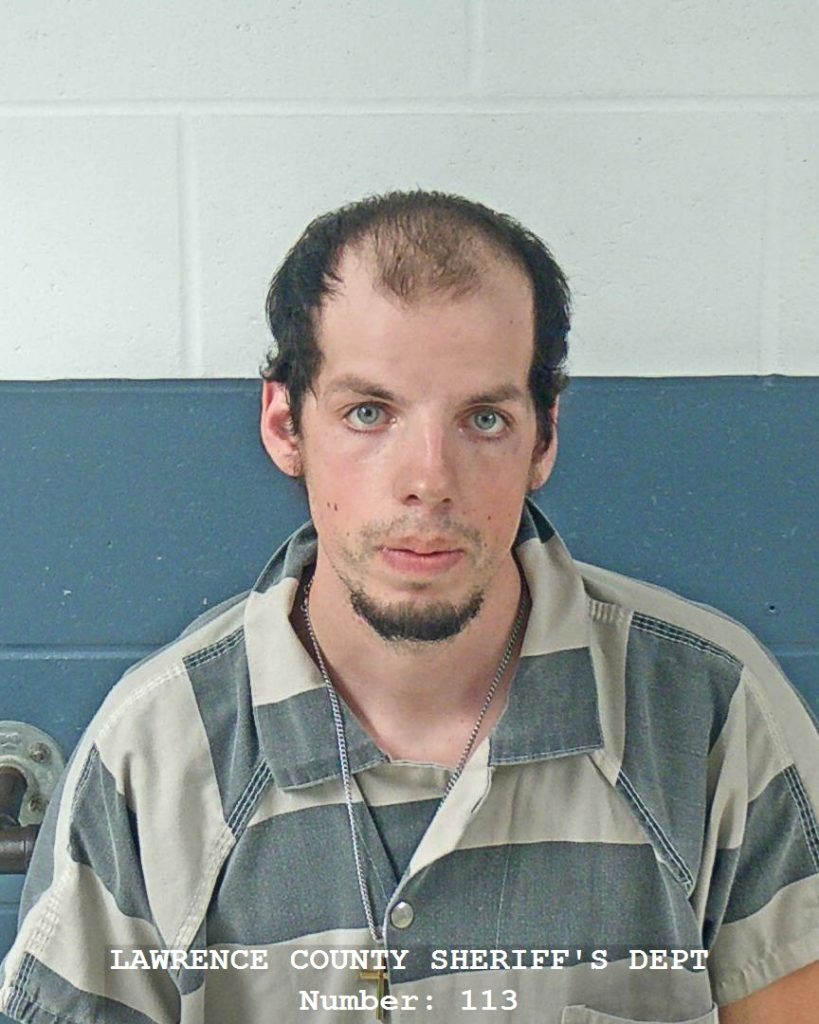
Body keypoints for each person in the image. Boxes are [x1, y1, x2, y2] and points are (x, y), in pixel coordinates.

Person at [1, 190, 817, 1024]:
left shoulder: (711, 711)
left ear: (543, 439)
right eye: (368, 413)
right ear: (285, 425)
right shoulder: (154, 750)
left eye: (484, 419)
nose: (428, 479)